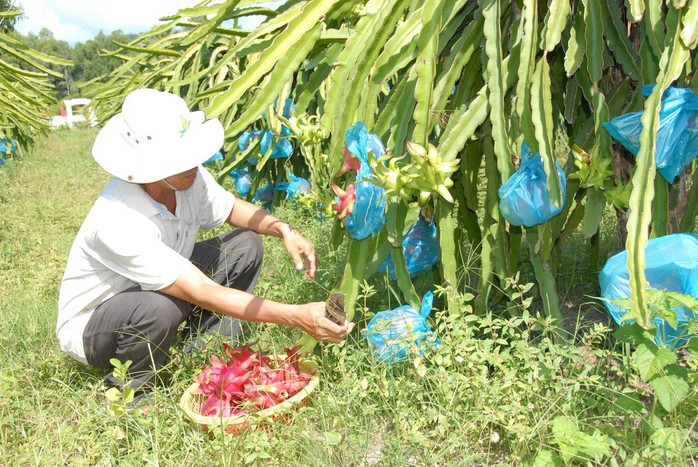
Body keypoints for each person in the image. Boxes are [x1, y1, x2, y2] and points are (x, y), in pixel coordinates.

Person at [57, 88, 353, 397]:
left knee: (245, 245)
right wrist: (296, 316)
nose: (194, 163)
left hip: (158, 285)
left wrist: (283, 229)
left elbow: (231, 209)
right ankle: (135, 392)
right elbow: (201, 291)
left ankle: (204, 352)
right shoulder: (118, 220)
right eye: (180, 158)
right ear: (147, 165)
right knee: (156, 309)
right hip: (98, 325)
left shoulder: (186, 177)